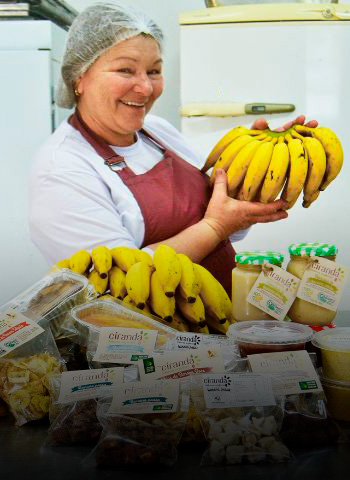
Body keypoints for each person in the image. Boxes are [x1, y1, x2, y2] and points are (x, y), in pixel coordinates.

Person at [28, 2, 317, 295]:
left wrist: (257, 164)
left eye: (154, 71)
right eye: (126, 70)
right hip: (141, 337)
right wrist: (215, 227)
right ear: (80, 77)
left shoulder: (157, 131)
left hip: (223, 322)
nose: (145, 88)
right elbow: (122, 286)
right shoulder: (61, 169)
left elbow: (232, 228)